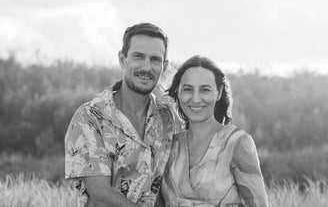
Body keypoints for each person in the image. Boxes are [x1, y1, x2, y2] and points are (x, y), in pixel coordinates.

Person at [65, 23, 176, 207]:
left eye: (155, 59)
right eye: (138, 56)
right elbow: (101, 197)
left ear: (164, 67)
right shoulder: (90, 117)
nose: (147, 67)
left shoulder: (168, 119)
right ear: (122, 59)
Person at [160, 55, 269, 207]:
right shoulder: (169, 145)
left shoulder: (237, 143)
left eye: (205, 90)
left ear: (218, 92)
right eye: (187, 89)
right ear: (178, 92)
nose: (196, 99)